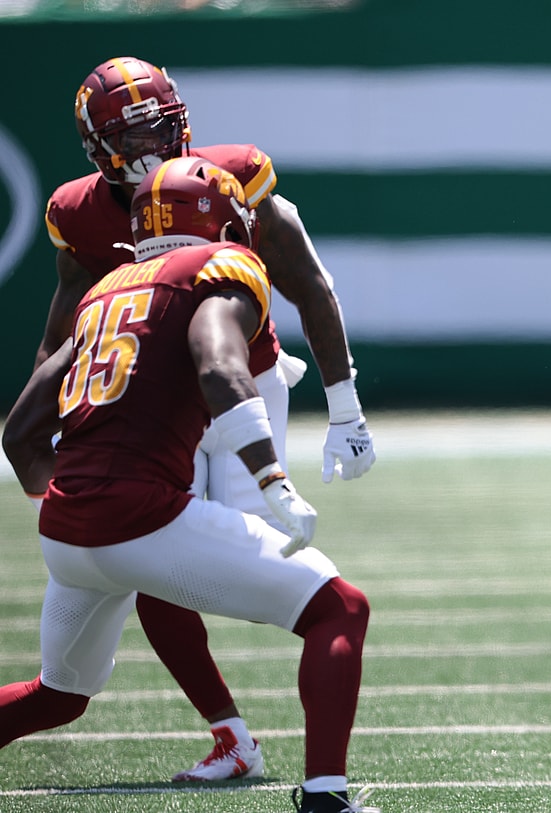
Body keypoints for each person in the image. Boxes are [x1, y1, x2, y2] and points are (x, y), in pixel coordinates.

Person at [33, 56, 377, 781]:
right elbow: (63, 330)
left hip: (243, 385)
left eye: (161, 127)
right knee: (164, 560)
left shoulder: (225, 179)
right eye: (133, 137)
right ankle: (240, 740)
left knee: (178, 561)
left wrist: (344, 404)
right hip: (159, 395)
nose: (158, 146)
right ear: (98, 151)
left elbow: (308, 286)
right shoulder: (82, 214)